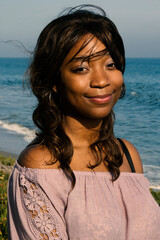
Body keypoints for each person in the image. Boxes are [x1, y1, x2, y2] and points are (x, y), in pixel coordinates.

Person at [7, 4, 160, 240]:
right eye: (81, 68)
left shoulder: (128, 155)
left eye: (110, 65)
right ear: (54, 81)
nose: (101, 80)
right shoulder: (41, 165)